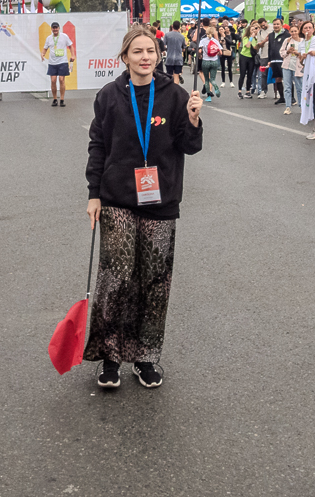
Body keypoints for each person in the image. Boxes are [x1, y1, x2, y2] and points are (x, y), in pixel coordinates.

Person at [84, 26, 203, 390]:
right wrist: (93, 194)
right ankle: (110, 358)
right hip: (117, 199)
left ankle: (147, 357)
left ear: (159, 55)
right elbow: (98, 146)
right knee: (116, 278)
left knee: (154, 282)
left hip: (161, 201)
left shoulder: (174, 94)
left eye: (150, 51)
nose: (145, 57)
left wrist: (195, 119)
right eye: (137, 52)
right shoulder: (109, 96)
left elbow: (189, 146)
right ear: (125, 58)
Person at [42, 21, 75, 107]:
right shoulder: (49, 38)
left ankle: (62, 99)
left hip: (62, 61)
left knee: (61, 80)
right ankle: (55, 99)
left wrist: (73, 55)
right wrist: (42, 54)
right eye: (53, 28)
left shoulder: (64, 36)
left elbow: (71, 46)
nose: (55, 29)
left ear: (59, 28)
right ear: (51, 29)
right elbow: (45, 48)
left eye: (56, 27)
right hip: (52, 63)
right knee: (53, 81)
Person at [280, 21, 303, 115]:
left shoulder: (302, 41)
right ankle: (288, 106)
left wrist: (298, 53)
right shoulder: (287, 41)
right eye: (292, 31)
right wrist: (288, 52)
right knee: (287, 87)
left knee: (299, 87)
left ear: (298, 31)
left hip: (298, 66)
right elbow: (281, 53)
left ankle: (302, 106)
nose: (293, 33)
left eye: (295, 31)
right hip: (287, 66)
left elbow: (305, 53)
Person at [198, 23, 222, 102]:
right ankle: (215, 87)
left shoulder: (203, 41)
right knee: (212, 78)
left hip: (205, 61)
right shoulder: (215, 41)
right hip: (214, 61)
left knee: (207, 79)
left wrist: (200, 55)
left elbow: (199, 50)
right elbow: (220, 53)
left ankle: (209, 96)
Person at [267, 18, 288, 104]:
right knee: (277, 79)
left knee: (287, 79)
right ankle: (282, 97)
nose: (276, 26)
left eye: (277, 24)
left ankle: (291, 98)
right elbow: (270, 48)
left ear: (281, 25)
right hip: (274, 60)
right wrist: (269, 60)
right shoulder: (271, 35)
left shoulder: (286, 34)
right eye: (274, 24)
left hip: (283, 59)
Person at [236, 21, 258, 98]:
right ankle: (239, 91)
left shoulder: (255, 39)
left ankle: (248, 91)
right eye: (252, 30)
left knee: (250, 74)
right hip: (244, 56)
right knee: (242, 74)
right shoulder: (246, 38)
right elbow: (248, 45)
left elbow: (255, 48)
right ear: (249, 31)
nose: (254, 31)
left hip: (251, 57)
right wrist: (251, 37)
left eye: (254, 30)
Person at [164, 21, 185, 86]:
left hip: (169, 58)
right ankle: (176, 90)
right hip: (178, 58)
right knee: (176, 76)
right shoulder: (181, 37)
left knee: (169, 75)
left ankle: (170, 89)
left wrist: (168, 49)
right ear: (179, 27)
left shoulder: (167, 35)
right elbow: (184, 48)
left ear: (172, 26)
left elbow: (164, 45)